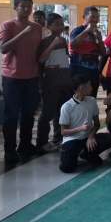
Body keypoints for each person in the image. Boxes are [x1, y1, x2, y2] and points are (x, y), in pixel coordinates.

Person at [0, 0, 43, 164]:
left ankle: (25, 145)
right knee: (11, 115)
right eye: (22, 6)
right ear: (15, 7)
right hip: (12, 77)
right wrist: (23, 33)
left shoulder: (37, 27)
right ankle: (9, 150)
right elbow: (3, 48)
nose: (26, 9)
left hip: (32, 76)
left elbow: (38, 51)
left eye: (29, 6)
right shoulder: (7, 25)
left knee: (29, 114)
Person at [58, 74, 111, 173]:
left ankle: (86, 154)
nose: (92, 88)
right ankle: (73, 154)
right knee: (67, 168)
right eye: (89, 85)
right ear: (81, 87)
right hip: (72, 140)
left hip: (88, 138)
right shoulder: (67, 107)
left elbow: (97, 124)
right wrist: (80, 129)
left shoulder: (92, 101)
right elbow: (63, 132)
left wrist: (91, 137)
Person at [36, 13, 73, 152]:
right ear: (48, 26)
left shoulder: (63, 40)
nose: (60, 27)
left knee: (62, 112)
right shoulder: (44, 41)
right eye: (56, 24)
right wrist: (53, 44)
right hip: (51, 82)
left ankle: (58, 138)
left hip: (64, 80)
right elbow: (41, 60)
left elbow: (64, 59)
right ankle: (41, 142)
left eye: (61, 24)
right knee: (47, 112)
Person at [69, 6, 106, 94]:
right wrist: (87, 31)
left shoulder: (97, 33)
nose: (95, 20)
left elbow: (103, 53)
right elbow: (72, 45)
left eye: (97, 17)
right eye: (92, 16)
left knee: (91, 99)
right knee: (79, 98)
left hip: (93, 73)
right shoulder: (77, 31)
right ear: (84, 17)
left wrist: (100, 39)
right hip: (79, 72)